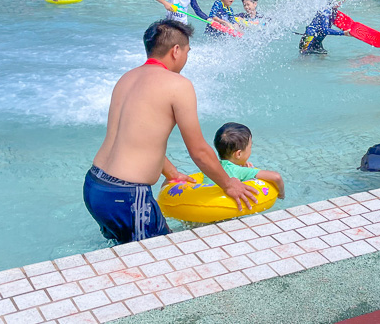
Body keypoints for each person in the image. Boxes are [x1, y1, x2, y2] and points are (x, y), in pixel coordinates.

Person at [83, 20, 258, 243]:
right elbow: (199, 151)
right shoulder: (178, 85)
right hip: (126, 195)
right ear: (176, 51)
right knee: (158, 260)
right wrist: (229, 183)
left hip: (95, 186)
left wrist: (172, 174)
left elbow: (133, 138)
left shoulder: (126, 79)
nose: (186, 58)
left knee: (135, 253)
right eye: (187, 52)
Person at [214, 122, 285, 199]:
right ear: (238, 154)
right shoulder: (239, 171)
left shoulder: (212, 168)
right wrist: (281, 194)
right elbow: (276, 177)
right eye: (250, 147)